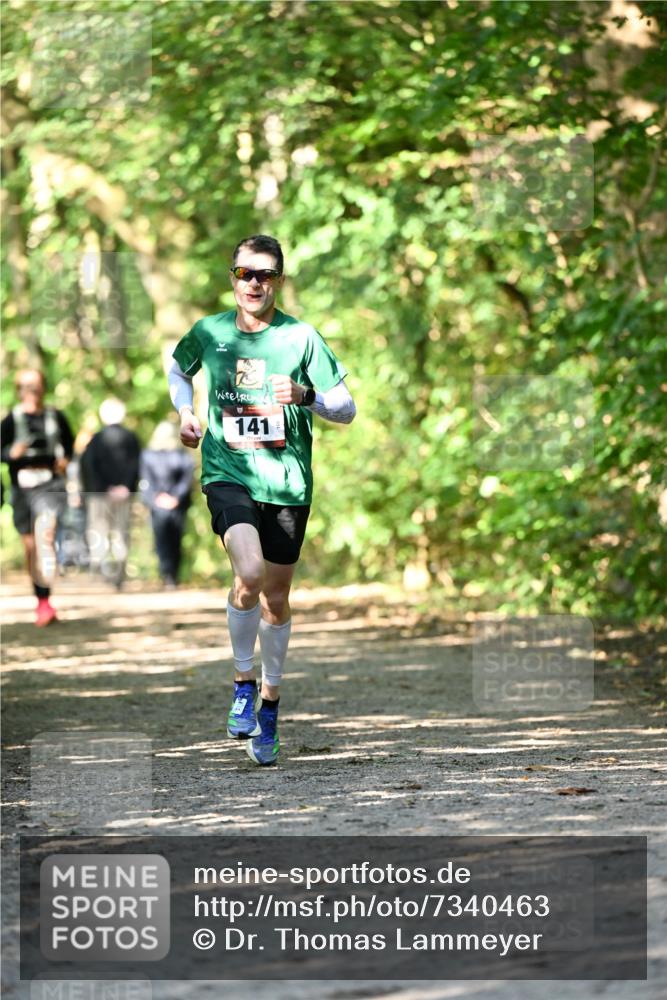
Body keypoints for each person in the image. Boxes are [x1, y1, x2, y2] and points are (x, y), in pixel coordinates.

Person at [168, 234, 356, 765]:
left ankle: (270, 703)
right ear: (232, 276)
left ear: (278, 279)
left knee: (275, 598)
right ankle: (242, 682)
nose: (255, 282)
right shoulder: (210, 332)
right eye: (246, 273)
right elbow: (177, 369)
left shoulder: (301, 338)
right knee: (247, 574)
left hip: (288, 484)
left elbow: (347, 407)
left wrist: (307, 396)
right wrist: (186, 412)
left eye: (266, 274)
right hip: (229, 471)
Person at [0, 369, 74, 626]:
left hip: (50, 483)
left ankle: (46, 599)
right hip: (22, 487)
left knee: (45, 536)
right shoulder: (11, 420)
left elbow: (70, 445)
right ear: (19, 390)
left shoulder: (56, 416)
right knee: (31, 546)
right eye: (27, 386)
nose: (33, 390)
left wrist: (65, 460)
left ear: (43, 388)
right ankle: (42, 602)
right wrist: (11, 453)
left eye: (37, 385)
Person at [80, 398, 141, 590]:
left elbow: (88, 467)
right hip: (123, 495)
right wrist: (126, 487)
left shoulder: (95, 440)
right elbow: (137, 465)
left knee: (100, 533)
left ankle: (105, 573)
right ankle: (118, 575)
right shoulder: (132, 438)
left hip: (99, 496)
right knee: (121, 534)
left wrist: (103, 488)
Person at [139, 419, 194, 588]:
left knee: (169, 539)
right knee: (166, 539)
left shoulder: (181, 456)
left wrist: (173, 498)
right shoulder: (150, 455)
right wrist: (159, 499)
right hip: (162, 504)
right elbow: (145, 480)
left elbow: (186, 480)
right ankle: (168, 574)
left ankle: (170, 575)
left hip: (173, 504)